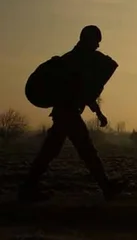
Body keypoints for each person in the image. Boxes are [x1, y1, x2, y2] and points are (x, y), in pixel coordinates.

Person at [19, 25, 127, 202]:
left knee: (51, 151)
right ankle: (106, 187)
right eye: (96, 42)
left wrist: (98, 113)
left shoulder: (76, 59)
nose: (98, 46)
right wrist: (97, 112)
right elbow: (82, 91)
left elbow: (83, 93)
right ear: (89, 39)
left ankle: (27, 189)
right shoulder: (76, 61)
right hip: (67, 113)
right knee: (86, 150)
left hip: (65, 113)